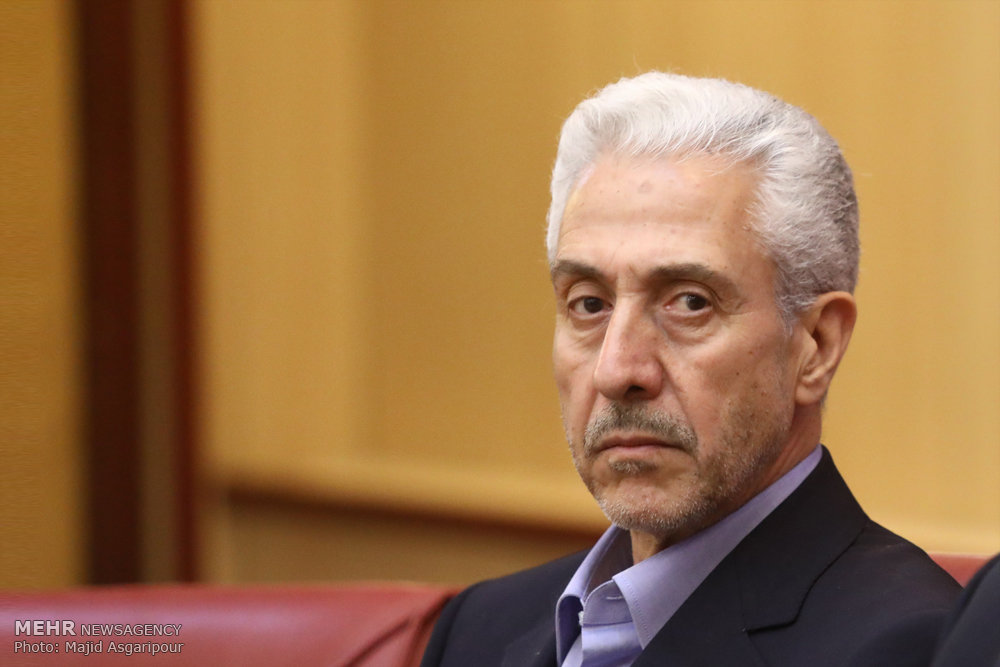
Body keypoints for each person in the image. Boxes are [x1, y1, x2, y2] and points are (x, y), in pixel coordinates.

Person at [420, 72, 960, 667]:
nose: (616, 370)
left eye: (690, 302)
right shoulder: (478, 627)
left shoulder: (912, 646)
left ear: (816, 345)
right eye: (589, 304)